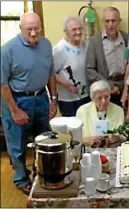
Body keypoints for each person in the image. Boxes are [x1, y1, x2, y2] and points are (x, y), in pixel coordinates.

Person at [0, 12, 57, 195]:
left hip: (41, 97)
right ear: (20, 28)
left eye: (36, 28)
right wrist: (15, 110)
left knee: (45, 138)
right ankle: (21, 178)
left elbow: (51, 74)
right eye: (29, 29)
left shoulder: (47, 44)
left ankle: (43, 173)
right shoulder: (7, 50)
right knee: (17, 144)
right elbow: (3, 84)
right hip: (17, 99)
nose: (33, 33)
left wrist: (53, 100)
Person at [85, 6, 128, 107]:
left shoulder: (127, 38)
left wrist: (121, 87)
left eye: (113, 21)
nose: (110, 25)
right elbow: (89, 70)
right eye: (107, 21)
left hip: (124, 90)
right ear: (102, 21)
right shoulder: (95, 41)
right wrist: (109, 85)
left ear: (119, 21)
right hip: (103, 92)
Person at [53, 15, 90, 116]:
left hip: (87, 95)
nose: (78, 32)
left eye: (80, 28)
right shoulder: (59, 49)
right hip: (68, 100)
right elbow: (51, 73)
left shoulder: (86, 45)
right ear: (66, 31)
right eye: (74, 29)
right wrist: (67, 84)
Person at [76, 80, 124, 147]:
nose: (103, 101)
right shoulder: (82, 110)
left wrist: (117, 137)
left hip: (112, 149)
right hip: (88, 150)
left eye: (106, 97)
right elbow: (75, 139)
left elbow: (123, 136)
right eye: (99, 98)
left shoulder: (118, 110)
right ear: (92, 99)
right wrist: (87, 140)